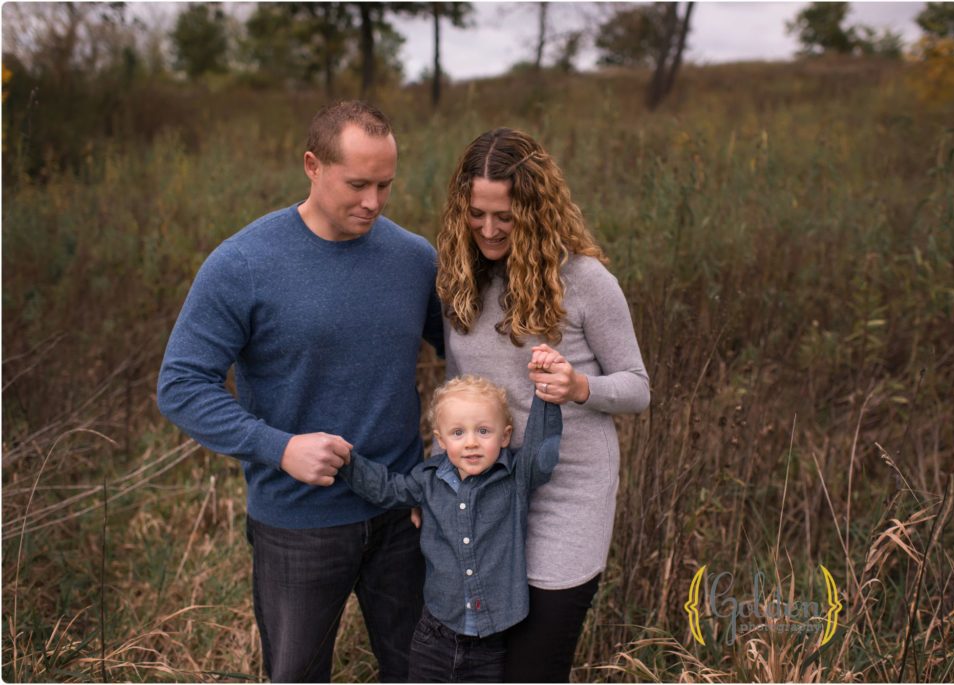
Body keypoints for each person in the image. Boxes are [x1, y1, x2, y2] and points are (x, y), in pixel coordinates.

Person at [156, 100, 444, 683]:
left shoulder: (414, 259)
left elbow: (468, 361)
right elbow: (181, 384)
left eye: (385, 184)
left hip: (403, 514)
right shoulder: (243, 263)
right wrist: (277, 447)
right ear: (312, 165)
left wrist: (447, 460)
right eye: (357, 184)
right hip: (297, 521)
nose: (373, 202)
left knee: (425, 672)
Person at [435, 127, 651, 682]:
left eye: (504, 216)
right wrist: (435, 481)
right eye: (476, 214)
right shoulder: (460, 282)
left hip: (566, 500)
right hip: (484, 502)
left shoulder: (584, 281)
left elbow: (637, 386)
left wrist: (581, 387)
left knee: (533, 668)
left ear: (534, 209)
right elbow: (456, 393)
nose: (487, 229)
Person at [339, 370, 562, 682]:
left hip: (492, 640)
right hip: (435, 634)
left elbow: (542, 454)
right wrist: (348, 463)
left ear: (505, 436)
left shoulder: (515, 479)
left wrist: (546, 394)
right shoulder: (428, 480)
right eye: (458, 433)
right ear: (441, 441)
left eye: (484, 431)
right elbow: (388, 489)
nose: (471, 442)